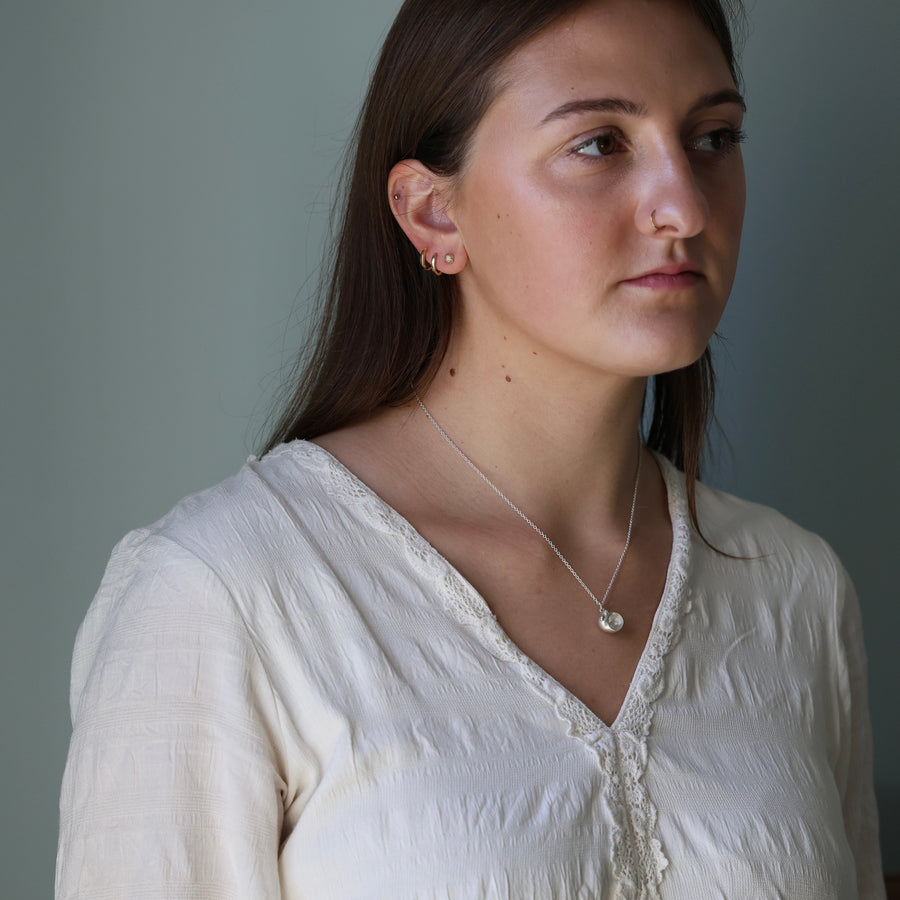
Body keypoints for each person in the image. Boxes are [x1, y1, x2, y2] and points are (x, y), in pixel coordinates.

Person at [56, 0, 885, 897]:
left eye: (715, 137)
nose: (684, 204)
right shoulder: (226, 595)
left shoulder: (793, 590)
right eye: (600, 143)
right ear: (433, 215)